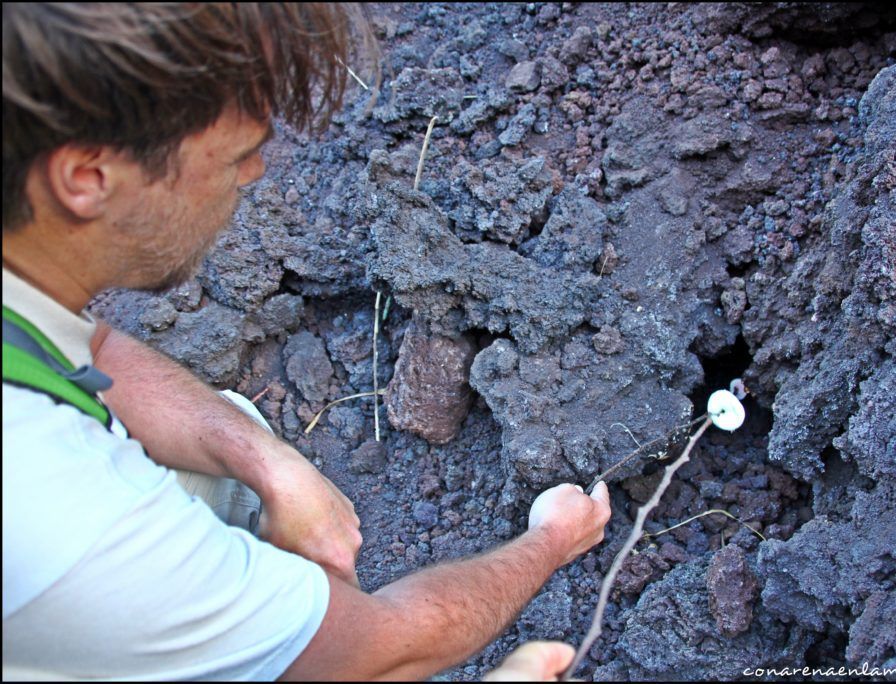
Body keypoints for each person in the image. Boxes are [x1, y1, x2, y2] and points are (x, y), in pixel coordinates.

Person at [2, 3, 611, 680]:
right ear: (87, 178)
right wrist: (551, 540)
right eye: (238, 154)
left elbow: (95, 351)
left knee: (227, 440)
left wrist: (269, 461)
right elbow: (381, 649)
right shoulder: (74, 524)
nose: (256, 174)